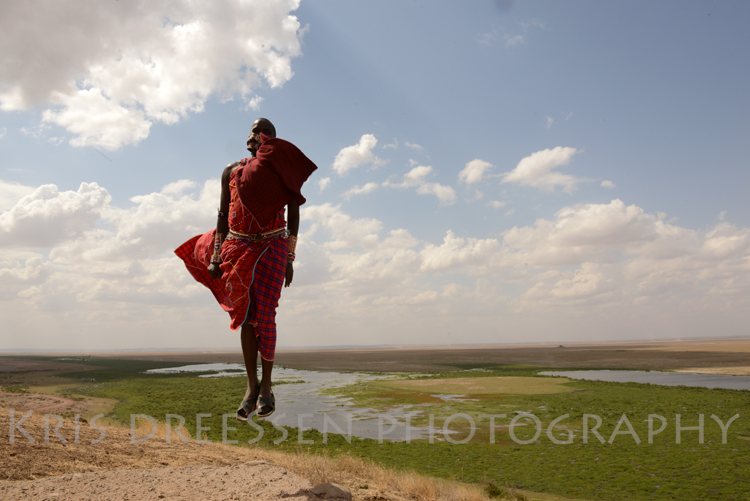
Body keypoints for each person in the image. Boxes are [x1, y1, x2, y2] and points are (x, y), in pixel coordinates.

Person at [175, 118, 317, 420]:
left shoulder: (281, 172)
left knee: (265, 315)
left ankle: (267, 386)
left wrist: (290, 258)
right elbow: (223, 216)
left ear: (272, 143)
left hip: (273, 246)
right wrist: (215, 257)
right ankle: (251, 387)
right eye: (253, 130)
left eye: (263, 132)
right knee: (246, 315)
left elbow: (293, 215)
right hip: (238, 247)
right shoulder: (231, 172)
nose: (255, 135)